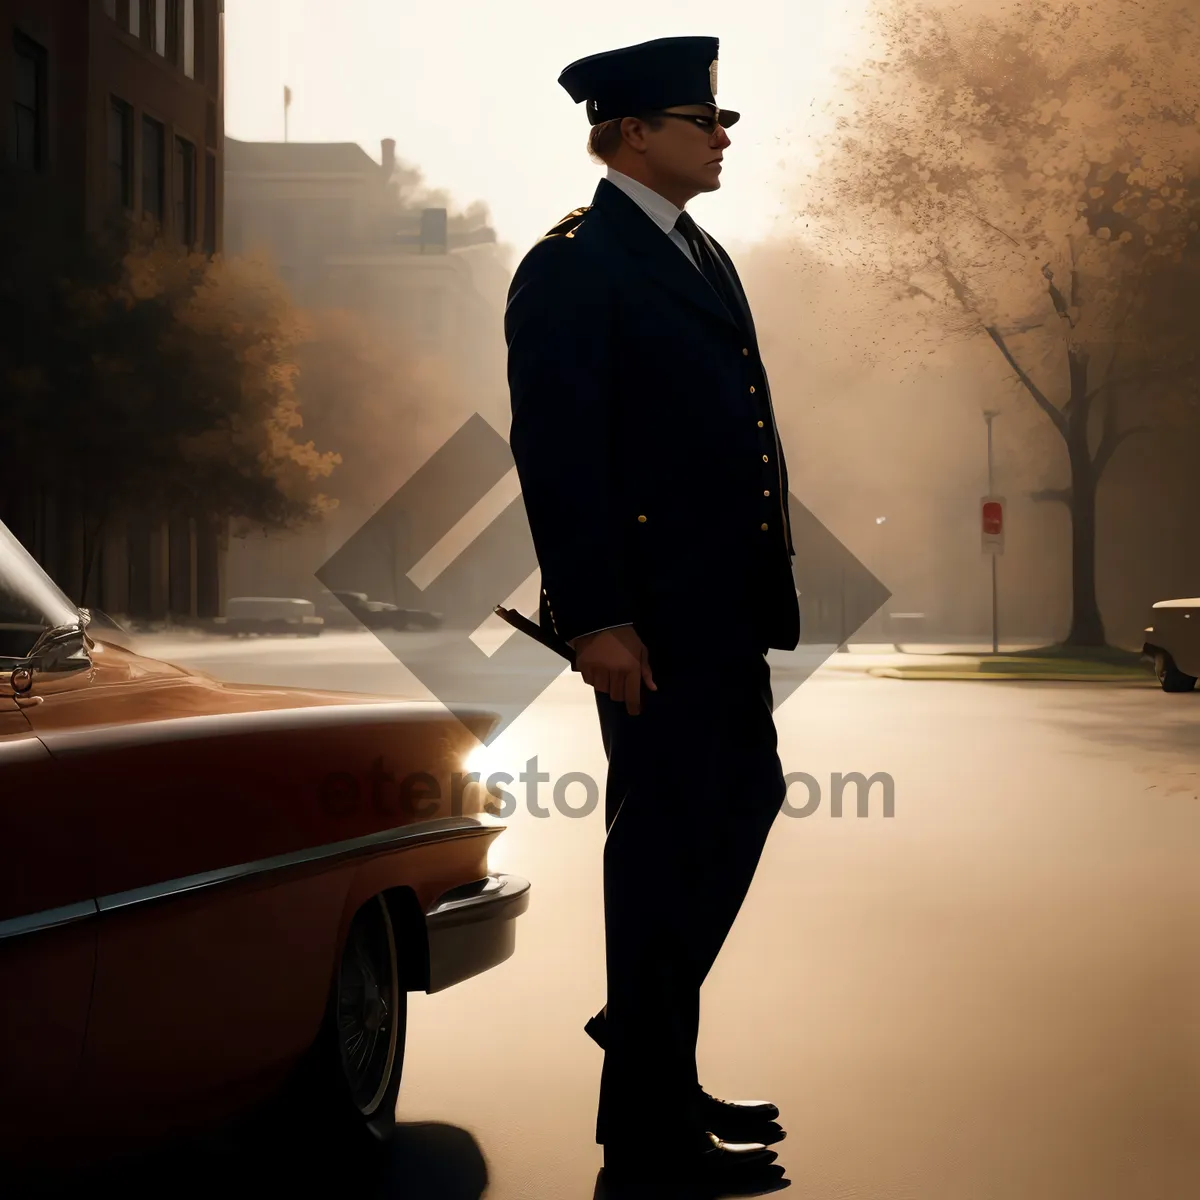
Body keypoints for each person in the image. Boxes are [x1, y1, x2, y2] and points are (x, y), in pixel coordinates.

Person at [504, 35, 800, 1193]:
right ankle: (647, 1127)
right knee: (665, 852)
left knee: (737, 809)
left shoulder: (697, 251)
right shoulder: (576, 263)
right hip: (653, 621)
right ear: (632, 133)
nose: (724, 136)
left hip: (721, 611)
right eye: (704, 118)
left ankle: (650, 1052)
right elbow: (559, 451)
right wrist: (596, 619)